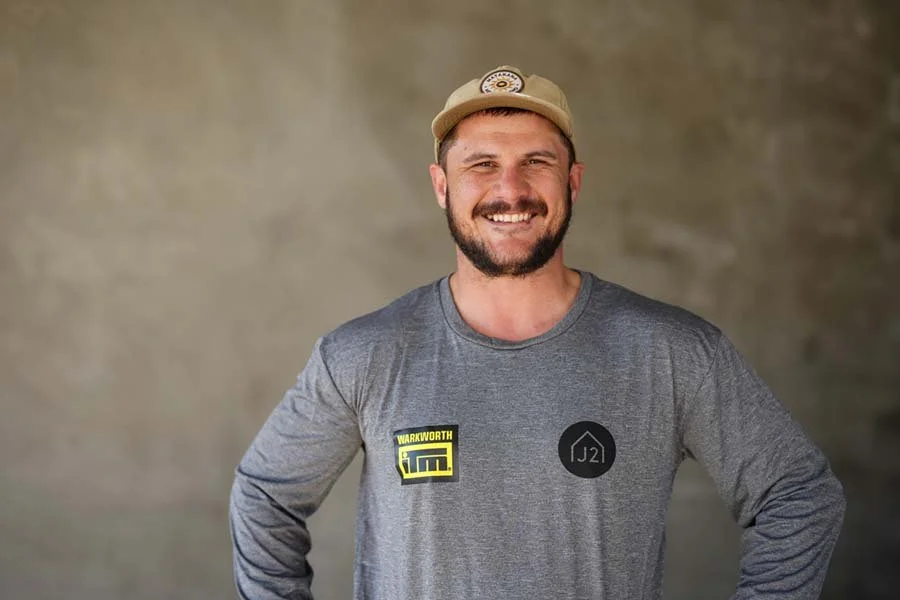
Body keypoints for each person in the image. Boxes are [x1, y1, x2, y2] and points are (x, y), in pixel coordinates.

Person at [230, 65, 845, 600]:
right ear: (441, 186)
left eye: (536, 162)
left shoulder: (672, 351)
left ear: (572, 181)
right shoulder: (363, 355)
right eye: (482, 165)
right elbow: (265, 497)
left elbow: (798, 494)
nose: (511, 190)